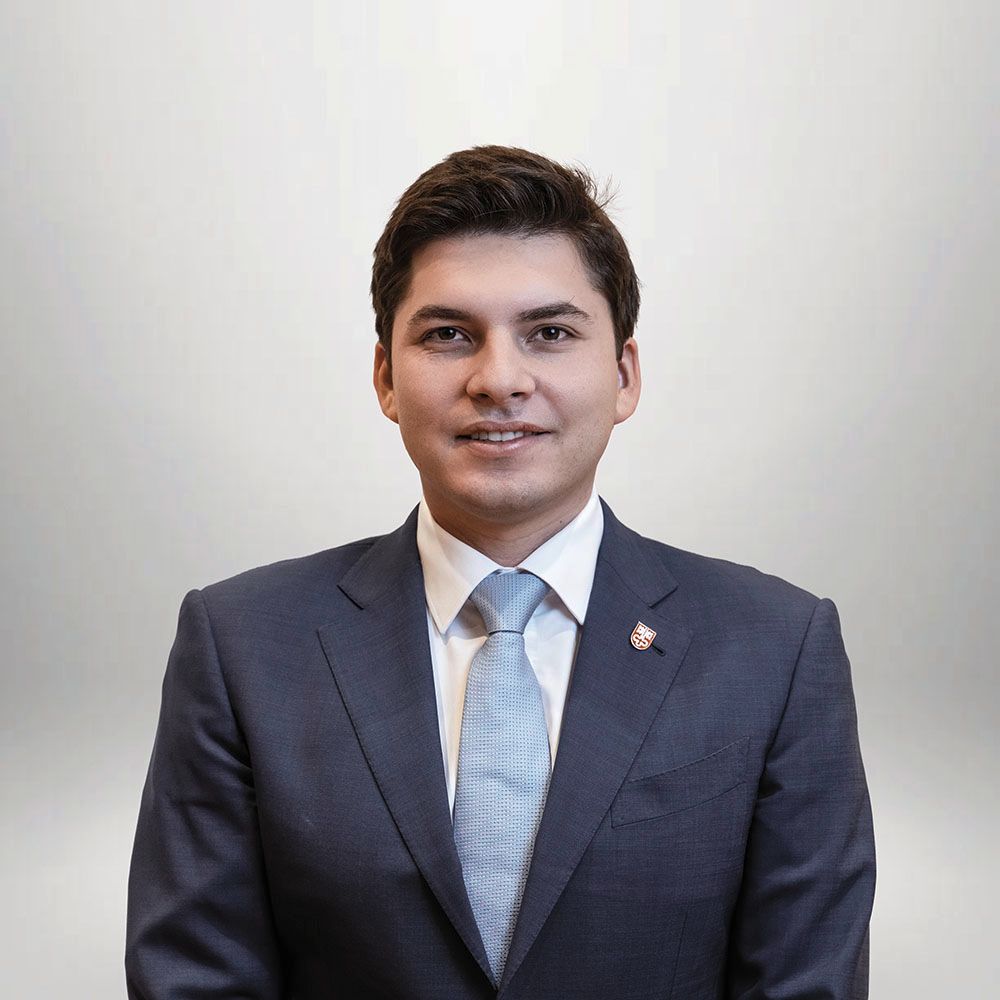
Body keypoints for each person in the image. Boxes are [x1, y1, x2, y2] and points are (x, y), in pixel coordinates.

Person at [125, 145, 876, 999]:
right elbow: (196, 979)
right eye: (448, 335)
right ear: (386, 378)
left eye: (550, 333)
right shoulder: (243, 645)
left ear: (624, 375)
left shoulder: (775, 649)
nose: (500, 380)